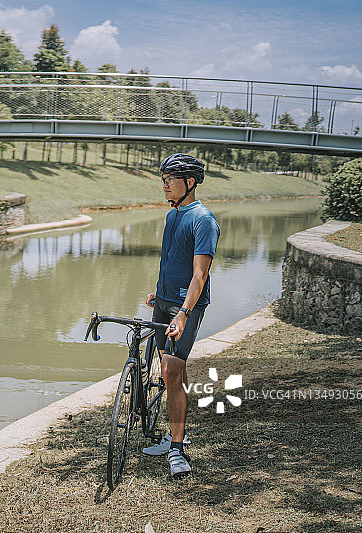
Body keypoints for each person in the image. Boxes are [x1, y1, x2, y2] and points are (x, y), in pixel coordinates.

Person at [143, 153, 220, 478]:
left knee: (171, 371)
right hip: (164, 302)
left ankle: (177, 451)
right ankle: (179, 431)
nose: (164, 186)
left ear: (190, 183)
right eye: (162, 180)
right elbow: (171, 260)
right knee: (173, 371)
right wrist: (158, 293)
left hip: (184, 307)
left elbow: (199, 275)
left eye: (169, 180)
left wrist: (183, 313)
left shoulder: (204, 220)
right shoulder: (173, 215)